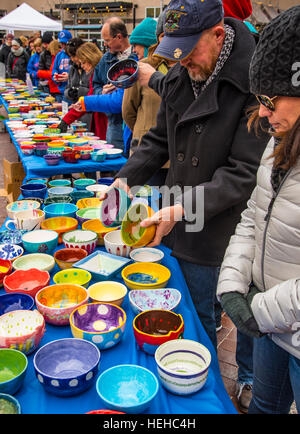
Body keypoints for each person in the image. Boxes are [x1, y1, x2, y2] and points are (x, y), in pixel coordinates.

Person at [103, 0, 269, 354]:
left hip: (216, 224)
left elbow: (242, 173)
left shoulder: (253, 80)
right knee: (177, 307)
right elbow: (158, 140)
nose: (181, 61)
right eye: (174, 53)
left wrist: (179, 210)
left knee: (201, 315)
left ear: (218, 34)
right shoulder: (184, 71)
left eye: (189, 51)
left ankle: (208, 391)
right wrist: (125, 179)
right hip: (176, 213)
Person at [217, 5, 300, 415]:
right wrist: (233, 282)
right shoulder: (281, 137)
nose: (263, 112)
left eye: (270, 98)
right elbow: (255, 213)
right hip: (274, 327)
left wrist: (259, 309)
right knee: (265, 406)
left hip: (279, 318)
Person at [122, 13, 173, 183]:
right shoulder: (143, 67)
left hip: (177, 156)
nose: (133, 49)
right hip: (147, 153)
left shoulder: (187, 67)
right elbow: (128, 111)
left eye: (136, 44)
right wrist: (144, 130)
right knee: (146, 204)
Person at [92, 17, 137, 149]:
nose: (105, 44)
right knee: (114, 165)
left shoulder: (137, 57)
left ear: (118, 37)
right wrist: (102, 92)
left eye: (107, 40)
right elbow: (96, 85)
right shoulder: (105, 59)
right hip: (114, 123)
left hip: (133, 123)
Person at [58, 42, 107, 140]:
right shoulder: (95, 74)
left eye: (83, 62)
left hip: (103, 122)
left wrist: (67, 119)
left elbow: (90, 99)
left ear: (90, 58)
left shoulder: (99, 74)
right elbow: (88, 99)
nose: (82, 66)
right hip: (98, 121)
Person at [51, 30, 72, 102]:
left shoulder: (74, 55)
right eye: (61, 43)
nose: (63, 46)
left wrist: (69, 77)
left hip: (72, 92)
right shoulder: (59, 55)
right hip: (60, 90)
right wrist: (55, 76)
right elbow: (54, 70)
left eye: (65, 43)